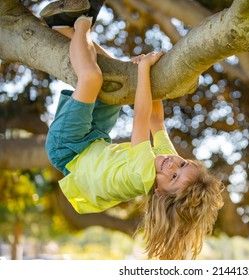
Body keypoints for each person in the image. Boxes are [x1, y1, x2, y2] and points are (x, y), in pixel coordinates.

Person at [41, 0, 224, 260]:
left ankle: (83, 22)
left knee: (91, 79)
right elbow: (156, 121)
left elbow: (141, 117)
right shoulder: (166, 161)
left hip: (68, 148)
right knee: (116, 78)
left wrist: (144, 68)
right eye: (182, 165)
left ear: (160, 191)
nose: (173, 165)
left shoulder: (142, 174)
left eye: (172, 177)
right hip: (95, 140)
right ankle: (62, 28)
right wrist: (150, 79)